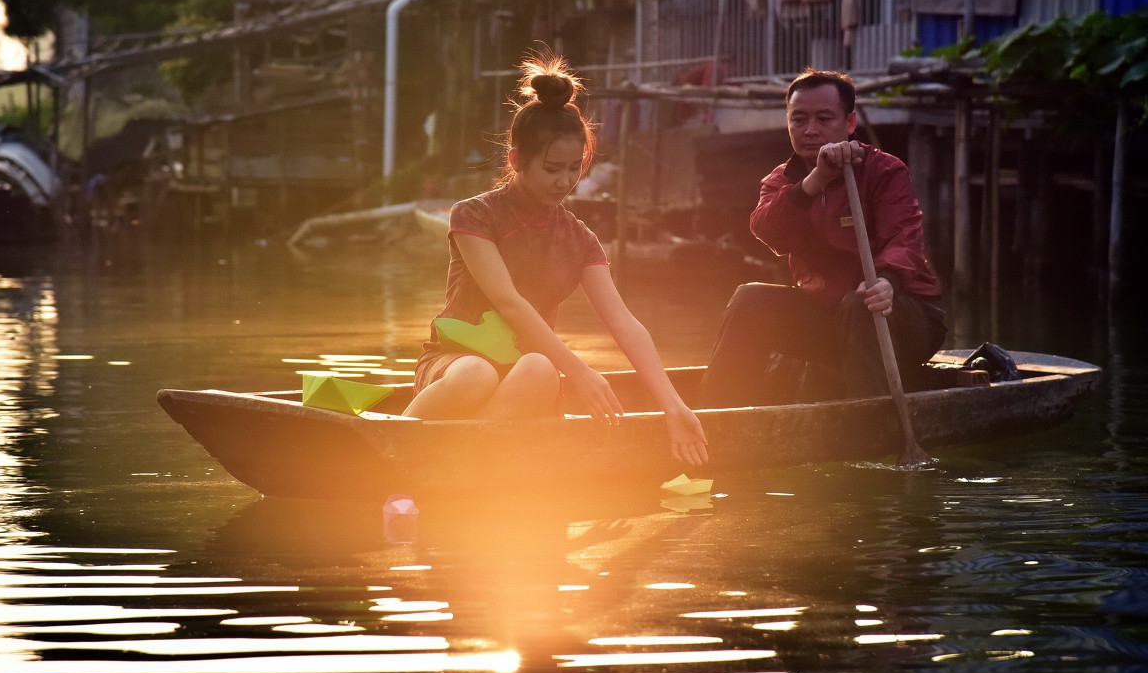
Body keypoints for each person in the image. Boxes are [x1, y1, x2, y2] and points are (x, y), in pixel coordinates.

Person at [404, 54, 709, 467]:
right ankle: (393, 448)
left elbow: (624, 322)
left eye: (573, 169)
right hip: (453, 365)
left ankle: (462, 468)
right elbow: (509, 302)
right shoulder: (474, 215)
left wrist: (673, 405)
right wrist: (581, 372)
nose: (564, 182)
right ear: (516, 161)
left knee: (540, 368)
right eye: (551, 169)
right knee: (477, 374)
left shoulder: (579, 239)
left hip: (522, 385)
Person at [695, 69, 947, 407]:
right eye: (798, 120)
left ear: (850, 122)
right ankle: (717, 418)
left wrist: (887, 281)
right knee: (749, 298)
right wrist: (815, 179)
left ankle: (866, 429)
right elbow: (769, 233)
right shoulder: (780, 180)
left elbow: (905, 241)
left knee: (861, 304)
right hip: (827, 320)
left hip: (898, 318)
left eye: (824, 118)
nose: (810, 130)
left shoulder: (884, 170)